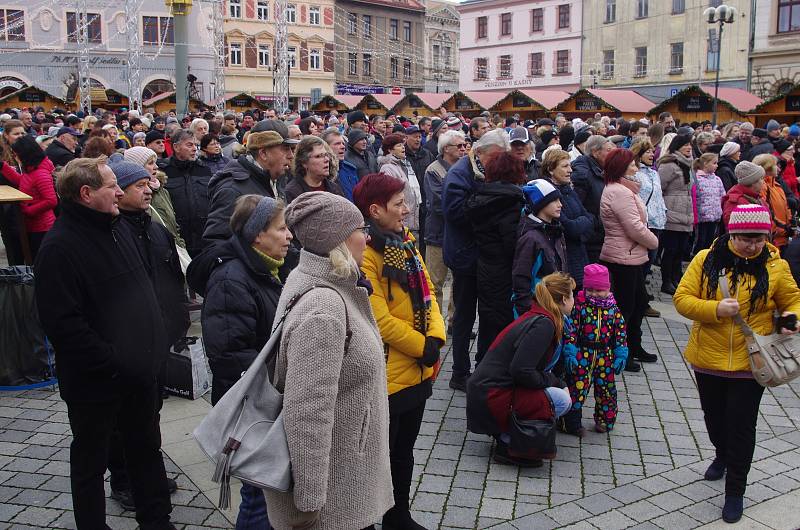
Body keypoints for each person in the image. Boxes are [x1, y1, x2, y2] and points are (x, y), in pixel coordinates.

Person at [34, 156, 175, 530]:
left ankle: (156, 521)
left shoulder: (118, 227)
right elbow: (63, 325)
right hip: (96, 384)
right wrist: (115, 361)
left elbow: (140, 292)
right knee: (90, 465)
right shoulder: (59, 248)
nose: (119, 191)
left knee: (145, 452)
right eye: (112, 185)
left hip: (139, 375)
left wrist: (154, 345)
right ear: (85, 194)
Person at [264, 192, 393, 529]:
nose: (367, 237)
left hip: (343, 482)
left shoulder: (318, 279)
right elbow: (306, 413)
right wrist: (308, 502)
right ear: (335, 238)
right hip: (332, 504)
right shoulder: (325, 308)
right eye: (359, 228)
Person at [673, 203, 800, 523]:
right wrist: (716, 309)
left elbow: (793, 300)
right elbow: (682, 299)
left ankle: (735, 491)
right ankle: (721, 454)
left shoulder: (775, 265)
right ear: (732, 234)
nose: (753, 245)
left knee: (742, 426)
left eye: (759, 238)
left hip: (751, 362)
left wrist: (791, 318)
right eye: (746, 238)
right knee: (714, 418)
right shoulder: (706, 260)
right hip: (708, 357)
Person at [189, 194, 292, 530]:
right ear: (257, 235)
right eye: (281, 228)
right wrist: (275, 388)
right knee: (259, 495)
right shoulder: (233, 277)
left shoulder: (263, 268)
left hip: (264, 400)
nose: (289, 235)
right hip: (253, 409)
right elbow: (230, 355)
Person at [351, 174, 445, 530]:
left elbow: (429, 293)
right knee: (376, 457)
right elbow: (379, 319)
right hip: (388, 374)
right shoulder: (365, 254)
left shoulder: (405, 243)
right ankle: (364, 519)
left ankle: (398, 515)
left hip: (417, 370)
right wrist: (424, 348)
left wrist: (435, 338)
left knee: (404, 451)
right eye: (399, 204)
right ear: (375, 211)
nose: (407, 210)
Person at [466, 272, 575, 467]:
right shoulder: (544, 324)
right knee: (562, 400)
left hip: (487, 390)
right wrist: (556, 382)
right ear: (564, 299)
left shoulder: (539, 315)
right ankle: (509, 442)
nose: (574, 300)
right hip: (491, 396)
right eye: (572, 295)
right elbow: (521, 370)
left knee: (554, 391)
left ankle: (507, 433)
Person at [442, 129, 509, 391]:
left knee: (488, 314)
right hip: (465, 256)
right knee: (464, 316)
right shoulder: (460, 173)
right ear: (479, 152)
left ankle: (482, 367)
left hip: (483, 255)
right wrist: (490, 208)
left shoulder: (482, 168)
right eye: (495, 156)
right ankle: (460, 372)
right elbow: (454, 213)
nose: (497, 162)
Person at [600, 148, 659, 370]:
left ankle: (635, 346)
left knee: (638, 304)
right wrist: (653, 242)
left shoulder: (624, 190)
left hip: (631, 254)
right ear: (622, 168)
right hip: (622, 256)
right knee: (626, 308)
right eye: (632, 164)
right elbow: (633, 227)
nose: (636, 167)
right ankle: (621, 353)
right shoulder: (619, 192)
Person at [465, 151, 526, 354]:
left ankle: (483, 364)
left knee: (488, 320)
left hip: (486, 266)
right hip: (506, 271)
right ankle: (496, 373)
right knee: (505, 322)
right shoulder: (512, 202)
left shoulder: (479, 197)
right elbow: (512, 243)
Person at [561, 264, 629, 436]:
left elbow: (620, 333)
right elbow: (572, 330)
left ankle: (605, 420)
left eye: (599, 290)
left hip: (605, 355)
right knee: (577, 387)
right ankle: (571, 423)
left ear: (607, 289)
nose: (594, 294)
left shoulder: (614, 310)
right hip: (583, 353)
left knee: (606, 389)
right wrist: (570, 349)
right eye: (590, 289)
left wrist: (621, 351)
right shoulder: (580, 308)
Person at [204, 130, 298, 243]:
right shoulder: (233, 189)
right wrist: (248, 259)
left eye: (291, 149)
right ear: (263, 153)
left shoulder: (277, 179)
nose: (291, 156)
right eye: (285, 149)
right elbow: (216, 242)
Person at [424, 130, 466, 314]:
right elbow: (438, 204)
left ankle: (454, 322)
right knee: (435, 283)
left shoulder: (465, 168)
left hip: (458, 234)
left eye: (465, 145)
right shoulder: (433, 170)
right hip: (438, 234)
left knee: (459, 281)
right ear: (446, 148)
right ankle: (436, 324)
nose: (464, 149)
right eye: (460, 146)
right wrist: (463, 209)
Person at [541, 148, 595, 289]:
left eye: (570, 165)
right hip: (565, 260)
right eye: (565, 166)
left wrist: (582, 226)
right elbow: (569, 228)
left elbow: (590, 217)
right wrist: (583, 223)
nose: (570, 170)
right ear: (551, 170)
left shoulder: (568, 190)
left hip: (579, 254)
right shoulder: (550, 194)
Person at [512, 179, 567, 318]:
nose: (560, 205)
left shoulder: (555, 231)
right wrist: (527, 313)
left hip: (555, 306)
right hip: (538, 310)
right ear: (540, 205)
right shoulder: (531, 238)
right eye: (554, 201)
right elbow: (521, 279)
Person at [0, 135, 57, 259]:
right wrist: (3, 167)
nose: (15, 157)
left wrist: (28, 210)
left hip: (41, 228)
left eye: (16, 154)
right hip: (32, 225)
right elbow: (23, 182)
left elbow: (51, 200)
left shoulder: (40, 174)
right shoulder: (31, 170)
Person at [158, 129, 212, 257]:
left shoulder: (204, 169)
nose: (194, 149)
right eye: (189, 145)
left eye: (196, 145)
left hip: (204, 238)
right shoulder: (163, 171)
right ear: (176, 147)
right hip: (177, 240)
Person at [124, 146, 186, 249]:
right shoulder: (134, 196)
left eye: (155, 162)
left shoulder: (162, 190)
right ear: (137, 167)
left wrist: (181, 246)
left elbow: (174, 225)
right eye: (150, 163)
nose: (156, 167)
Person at [658, 134, 694, 295]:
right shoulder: (669, 164)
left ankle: (675, 278)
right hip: (672, 211)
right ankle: (666, 281)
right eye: (685, 145)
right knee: (671, 249)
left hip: (685, 210)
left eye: (690, 145)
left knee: (681, 249)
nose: (689, 148)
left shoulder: (687, 164)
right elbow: (660, 187)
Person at [572, 135, 613, 263]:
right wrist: (598, 223)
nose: (611, 154)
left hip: (600, 236)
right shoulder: (583, 174)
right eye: (608, 150)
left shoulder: (600, 170)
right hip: (592, 239)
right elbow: (577, 207)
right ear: (595, 152)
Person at [631, 139, 666, 285]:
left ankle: (641, 290)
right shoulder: (635, 173)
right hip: (643, 222)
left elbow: (659, 196)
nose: (652, 154)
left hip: (657, 222)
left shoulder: (654, 173)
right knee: (641, 260)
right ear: (639, 154)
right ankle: (638, 292)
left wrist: (663, 213)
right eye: (648, 152)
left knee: (650, 258)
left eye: (652, 151)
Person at [378, 133, 423, 239]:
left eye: (403, 144)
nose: (403, 147)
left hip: (411, 220)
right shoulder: (387, 168)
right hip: (401, 221)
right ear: (389, 150)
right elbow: (390, 196)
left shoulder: (404, 165)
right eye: (398, 145)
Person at [752, 153, 793, 253]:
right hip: (774, 239)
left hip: (783, 237)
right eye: (776, 165)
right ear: (767, 168)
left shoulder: (777, 186)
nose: (779, 169)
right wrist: (783, 230)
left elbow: (786, 207)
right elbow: (767, 213)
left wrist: (790, 224)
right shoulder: (763, 187)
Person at [693, 153, 725, 252]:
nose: (717, 165)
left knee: (710, 239)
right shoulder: (697, 178)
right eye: (714, 163)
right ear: (706, 164)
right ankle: (697, 255)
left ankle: (708, 256)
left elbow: (722, 195)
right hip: (702, 215)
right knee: (700, 239)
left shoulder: (717, 179)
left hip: (714, 215)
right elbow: (695, 196)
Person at [721, 161, 767, 225]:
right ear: (753, 182)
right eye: (761, 178)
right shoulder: (735, 201)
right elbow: (734, 227)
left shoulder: (758, 198)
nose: (764, 182)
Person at [322, 128, 359, 202]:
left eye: (343, 143)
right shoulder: (322, 172)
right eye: (337, 144)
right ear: (326, 147)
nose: (343, 147)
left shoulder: (350, 169)